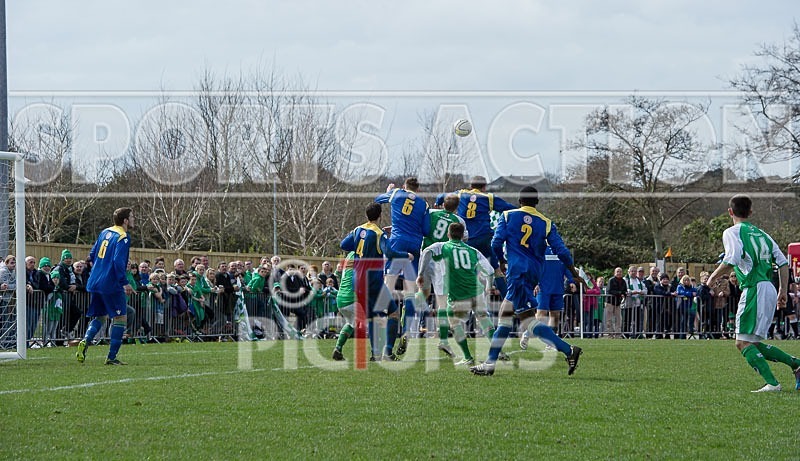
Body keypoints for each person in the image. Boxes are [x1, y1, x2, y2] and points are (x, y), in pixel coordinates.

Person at [470, 186, 584, 376]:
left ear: (519, 200)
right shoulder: (546, 222)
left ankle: (568, 350)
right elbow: (561, 251)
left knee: (524, 321)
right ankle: (490, 364)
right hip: (533, 273)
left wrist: (502, 261)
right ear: (537, 202)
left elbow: (495, 243)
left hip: (517, 272)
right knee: (511, 318)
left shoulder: (507, 216)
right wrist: (573, 271)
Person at [706, 194, 800, 392]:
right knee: (753, 342)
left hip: (753, 288)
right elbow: (783, 262)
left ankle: (773, 384)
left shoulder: (732, 232)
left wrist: (712, 278)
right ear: (750, 212)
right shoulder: (762, 234)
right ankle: (796, 364)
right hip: (768, 287)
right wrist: (782, 289)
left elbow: (731, 258)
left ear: (730, 212)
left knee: (742, 343)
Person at [418, 222, 497, 366]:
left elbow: (426, 252)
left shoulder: (442, 246)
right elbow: (490, 271)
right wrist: (489, 287)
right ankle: (497, 352)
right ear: (463, 236)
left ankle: (467, 357)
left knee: (455, 324)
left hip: (458, 294)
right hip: (477, 290)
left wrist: (421, 273)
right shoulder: (473, 250)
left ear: (448, 234)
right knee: (484, 318)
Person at [340, 203, 411, 360]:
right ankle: (388, 352)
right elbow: (390, 253)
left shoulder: (358, 229)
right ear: (380, 215)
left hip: (356, 281)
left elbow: (343, 245)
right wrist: (407, 255)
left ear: (367, 215)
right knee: (393, 313)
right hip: (372, 280)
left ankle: (375, 354)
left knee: (372, 316)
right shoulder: (380, 233)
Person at [374, 177, 429, 352]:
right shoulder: (424, 204)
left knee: (388, 285)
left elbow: (378, 200)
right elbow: (427, 230)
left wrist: (389, 190)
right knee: (410, 292)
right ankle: (406, 331)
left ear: (404, 186)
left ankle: (382, 329)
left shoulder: (397, 193)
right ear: (418, 189)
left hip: (397, 242)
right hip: (414, 246)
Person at [76, 207, 135, 365]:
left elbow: (93, 255)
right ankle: (111, 357)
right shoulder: (123, 237)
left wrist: (100, 269)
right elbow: (118, 261)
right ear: (125, 220)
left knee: (101, 316)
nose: (134, 219)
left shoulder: (105, 232)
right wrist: (124, 282)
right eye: (132, 216)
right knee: (120, 317)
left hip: (95, 281)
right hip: (110, 283)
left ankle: (86, 340)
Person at [455, 176, 516, 297]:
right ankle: (507, 303)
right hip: (483, 239)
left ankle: (461, 302)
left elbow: (442, 197)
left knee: (463, 271)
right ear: (484, 187)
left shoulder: (460, 194)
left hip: (465, 241)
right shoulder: (488, 198)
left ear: (471, 186)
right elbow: (508, 209)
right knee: (496, 270)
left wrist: (438, 203)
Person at [520, 246, 575, 350]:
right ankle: (527, 334)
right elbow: (534, 266)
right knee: (541, 316)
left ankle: (550, 343)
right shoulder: (540, 249)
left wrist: (571, 281)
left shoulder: (561, 250)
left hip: (558, 288)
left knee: (555, 316)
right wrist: (534, 282)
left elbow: (567, 267)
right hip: (543, 288)